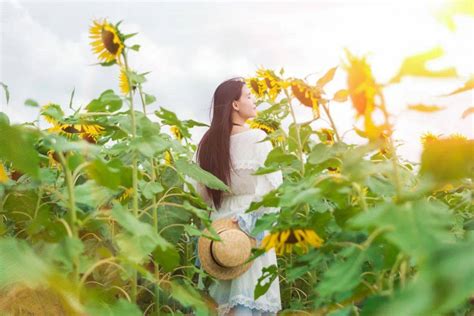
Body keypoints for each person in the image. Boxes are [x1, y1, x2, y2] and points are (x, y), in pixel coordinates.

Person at [185, 77, 283, 315]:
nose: (253, 100)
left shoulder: (207, 144)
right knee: (250, 294)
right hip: (250, 222)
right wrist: (256, 221)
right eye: (248, 96)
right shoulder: (257, 139)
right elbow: (272, 190)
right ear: (235, 105)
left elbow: (199, 192)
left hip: (220, 228)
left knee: (223, 301)